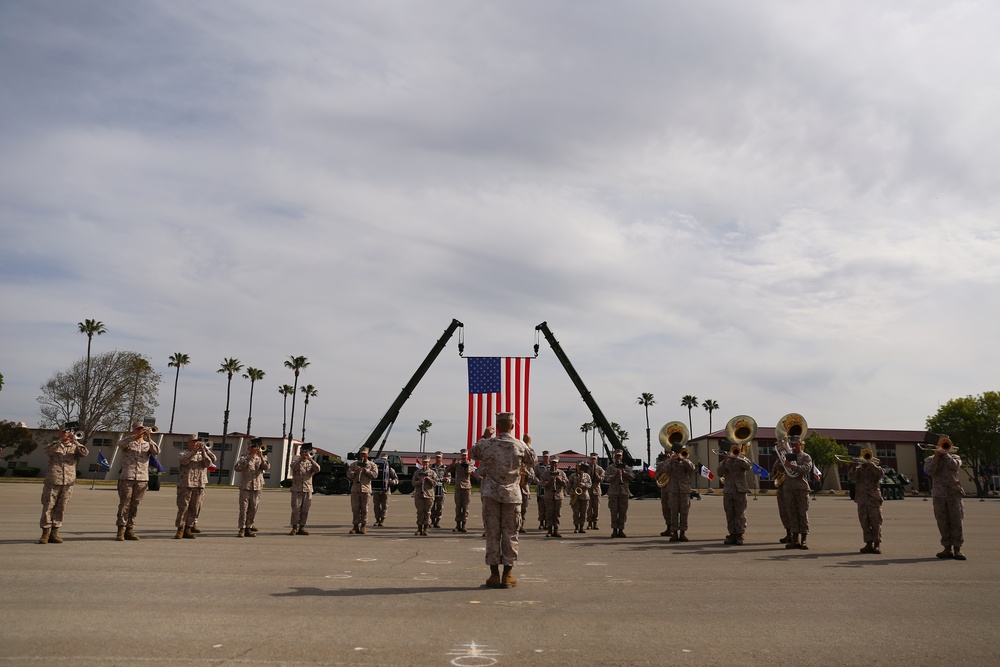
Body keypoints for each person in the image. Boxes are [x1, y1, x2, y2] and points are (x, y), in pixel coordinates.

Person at [471, 413, 536, 589]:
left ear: (497, 427)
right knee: (510, 533)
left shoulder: (487, 444)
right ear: (512, 427)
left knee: (492, 532)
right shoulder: (520, 445)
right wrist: (528, 443)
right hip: (512, 496)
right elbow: (532, 461)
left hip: (491, 494)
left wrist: (484, 436)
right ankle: (507, 575)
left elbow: (473, 453)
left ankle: (493, 575)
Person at [38, 426, 89, 544]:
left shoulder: (75, 446)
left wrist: (75, 441)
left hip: (68, 481)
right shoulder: (55, 444)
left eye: (69, 432)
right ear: (60, 433)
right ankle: (45, 533)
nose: (67, 434)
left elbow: (85, 453)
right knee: (48, 506)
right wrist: (61, 441)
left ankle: (54, 533)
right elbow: (48, 451)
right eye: (65, 432)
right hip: (53, 480)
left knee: (61, 507)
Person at [115, 422, 160, 541]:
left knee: (135, 505)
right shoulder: (128, 442)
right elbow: (120, 444)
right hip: (127, 477)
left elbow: (156, 452)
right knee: (124, 504)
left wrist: (150, 438)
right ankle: (120, 529)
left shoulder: (147, 444)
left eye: (142, 429)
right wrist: (135, 437)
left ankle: (129, 529)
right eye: (139, 429)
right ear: (133, 430)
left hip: (141, 479)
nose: (141, 431)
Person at [924, 438, 966, 560]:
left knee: (956, 521)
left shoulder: (955, 457)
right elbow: (930, 472)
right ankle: (947, 548)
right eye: (941, 445)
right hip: (939, 494)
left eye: (945, 445)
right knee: (942, 522)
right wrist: (936, 458)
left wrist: (946, 454)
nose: (942, 447)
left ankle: (958, 549)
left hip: (953, 493)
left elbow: (955, 467)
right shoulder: (930, 459)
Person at [175, 435, 216, 539]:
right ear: (188, 443)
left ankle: (188, 528)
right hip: (186, 484)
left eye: (197, 442)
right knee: (183, 507)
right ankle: (180, 529)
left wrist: (204, 451)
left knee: (195, 508)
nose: (195, 443)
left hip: (199, 484)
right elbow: (184, 461)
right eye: (193, 442)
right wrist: (194, 451)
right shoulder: (184, 453)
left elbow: (209, 462)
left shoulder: (202, 454)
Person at [848, 450, 884, 554]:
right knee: (864, 522)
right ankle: (868, 543)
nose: (864, 459)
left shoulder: (875, 468)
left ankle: (877, 544)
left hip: (873, 498)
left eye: (866, 457)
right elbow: (852, 476)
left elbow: (880, 473)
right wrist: (854, 466)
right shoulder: (858, 470)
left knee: (876, 521)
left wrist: (870, 463)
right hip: (861, 499)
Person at [782, 435, 813, 550]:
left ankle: (804, 540)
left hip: (801, 489)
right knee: (792, 514)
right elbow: (779, 469)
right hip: (789, 489)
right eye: (792, 444)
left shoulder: (805, 456)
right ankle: (795, 539)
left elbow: (806, 469)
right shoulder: (787, 456)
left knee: (802, 513)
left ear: (800, 444)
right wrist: (781, 460)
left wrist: (792, 466)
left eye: (796, 444)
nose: (793, 446)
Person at [717, 445, 752, 545]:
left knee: (740, 513)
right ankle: (732, 534)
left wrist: (738, 458)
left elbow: (748, 466)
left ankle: (740, 534)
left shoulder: (743, 459)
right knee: (730, 513)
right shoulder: (725, 461)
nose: (733, 452)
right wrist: (724, 461)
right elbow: (719, 472)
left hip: (740, 490)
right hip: (728, 490)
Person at [234, 439, 269, 537]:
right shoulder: (244, 457)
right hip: (246, 486)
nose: (255, 449)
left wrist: (262, 456)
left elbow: (266, 467)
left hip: (257, 487)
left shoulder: (261, 457)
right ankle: (242, 529)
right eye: (253, 447)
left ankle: (249, 528)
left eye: (256, 447)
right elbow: (237, 468)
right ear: (249, 448)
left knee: (253, 508)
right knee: (244, 509)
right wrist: (249, 458)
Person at [290, 443, 321, 535]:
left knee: (305, 509)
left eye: (306, 452)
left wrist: (310, 459)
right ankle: (294, 527)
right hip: (297, 489)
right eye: (303, 452)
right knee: (296, 509)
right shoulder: (296, 462)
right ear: (300, 452)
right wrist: (301, 459)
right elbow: (292, 467)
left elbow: (318, 469)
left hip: (307, 489)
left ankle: (302, 527)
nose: (305, 454)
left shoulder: (310, 463)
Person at [666, 450, 696, 542]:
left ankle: (683, 533)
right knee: (673, 513)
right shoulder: (670, 462)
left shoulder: (686, 462)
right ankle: (674, 533)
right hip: (674, 491)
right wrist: (671, 461)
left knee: (684, 513)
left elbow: (692, 468)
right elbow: (665, 470)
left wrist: (683, 459)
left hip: (684, 491)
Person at [347, 447, 379, 534]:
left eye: (364, 454)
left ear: (367, 455)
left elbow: (375, 475)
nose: (363, 455)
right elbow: (349, 474)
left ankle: (363, 526)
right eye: (361, 454)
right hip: (356, 490)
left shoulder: (372, 465)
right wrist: (355, 472)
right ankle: (355, 526)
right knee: (355, 509)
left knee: (364, 509)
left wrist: (367, 471)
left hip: (366, 490)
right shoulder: (354, 464)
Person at [606, 450, 634, 538]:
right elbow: (606, 478)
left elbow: (632, 477)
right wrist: (615, 475)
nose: (618, 458)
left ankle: (621, 529)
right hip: (613, 493)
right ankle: (614, 530)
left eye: (619, 456)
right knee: (614, 512)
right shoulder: (610, 467)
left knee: (623, 512)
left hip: (624, 492)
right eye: (617, 456)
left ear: (622, 457)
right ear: (614, 457)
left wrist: (624, 473)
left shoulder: (626, 467)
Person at [540, 456, 569, 537]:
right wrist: (548, 482)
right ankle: (549, 530)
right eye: (552, 462)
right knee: (549, 513)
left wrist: (559, 479)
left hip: (558, 496)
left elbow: (566, 483)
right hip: (549, 496)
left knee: (557, 514)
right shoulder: (546, 473)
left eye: (555, 463)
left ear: (557, 464)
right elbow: (541, 483)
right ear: (550, 463)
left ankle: (556, 530)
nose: (554, 464)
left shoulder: (561, 473)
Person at [447, 450, 473, 532]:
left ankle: (464, 524)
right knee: (458, 506)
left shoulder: (470, 464)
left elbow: (469, 472)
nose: (463, 457)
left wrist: (466, 466)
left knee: (465, 506)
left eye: (464, 456)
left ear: (467, 456)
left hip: (466, 487)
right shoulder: (458, 465)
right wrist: (453, 464)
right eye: (462, 456)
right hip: (458, 487)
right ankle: (458, 524)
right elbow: (447, 470)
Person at [412, 455, 437, 536]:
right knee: (420, 512)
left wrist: (428, 479)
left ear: (429, 463)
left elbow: (435, 483)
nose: (425, 464)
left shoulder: (432, 473)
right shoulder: (417, 472)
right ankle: (419, 528)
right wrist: (420, 481)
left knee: (427, 512)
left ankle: (426, 528)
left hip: (429, 495)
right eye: (424, 462)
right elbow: (413, 483)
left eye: (427, 462)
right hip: (419, 495)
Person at [372, 458, 399, 527]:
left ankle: (382, 520)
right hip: (376, 490)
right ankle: (377, 519)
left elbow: (396, 478)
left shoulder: (390, 469)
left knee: (385, 506)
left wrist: (393, 482)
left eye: (384, 460)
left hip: (386, 490)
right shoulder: (375, 468)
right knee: (376, 506)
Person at [568, 462, 593, 534]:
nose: (580, 468)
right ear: (576, 467)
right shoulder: (572, 476)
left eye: (581, 466)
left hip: (584, 496)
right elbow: (569, 485)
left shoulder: (587, 476)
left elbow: (590, 485)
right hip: (575, 496)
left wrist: (584, 484)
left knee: (583, 513)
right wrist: (570, 493)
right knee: (576, 512)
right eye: (578, 466)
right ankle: (576, 527)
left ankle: (581, 527)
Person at [770, 459, 791, 543]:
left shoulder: (795, 459)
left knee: (792, 513)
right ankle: (789, 533)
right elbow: (773, 475)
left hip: (791, 489)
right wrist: (779, 464)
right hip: (782, 490)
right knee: (783, 513)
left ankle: (796, 535)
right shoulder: (778, 461)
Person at [429, 452, 451, 529]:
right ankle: (432, 520)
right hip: (432, 489)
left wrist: (447, 480)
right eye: (437, 457)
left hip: (442, 490)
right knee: (431, 505)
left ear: (442, 458)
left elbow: (449, 477)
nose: (438, 459)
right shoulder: (431, 467)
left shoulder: (445, 468)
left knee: (440, 506)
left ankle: (437, 521)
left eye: (439, 457)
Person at [655, 452, 672, 537]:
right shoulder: (661, 464)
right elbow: (656, 476)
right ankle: (668, 527)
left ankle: (674, 529)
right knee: (665, 509)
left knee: (674, 509)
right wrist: (661, 471)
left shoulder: (677, 463)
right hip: (665, 489)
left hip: (674, 490)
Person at [586, 453, 605, 530]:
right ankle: (589, 523)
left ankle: (595, 523)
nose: (593, 460)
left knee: (596, 507)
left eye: (594, 459)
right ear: (589, 459)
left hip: (596, 490)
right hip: (588, 490)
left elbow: (603, 478)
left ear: (597, 459)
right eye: (592, 459)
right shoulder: (586, 468)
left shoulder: (600, 469)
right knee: (589, 508)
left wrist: (598, 476)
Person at [533, 449, 550, 530]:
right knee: (541, 507)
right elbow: (534, 475)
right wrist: (536, 480)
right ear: (542, 457)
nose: (546, 458)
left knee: (548, 507)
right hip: (540, 488)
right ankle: (541, 523)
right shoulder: (538, 466)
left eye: (547, 457)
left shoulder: (551, 466)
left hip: (548, 489)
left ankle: (547, 523)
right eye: (544, 457)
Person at [517, 463, 537, 533]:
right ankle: (514, 525)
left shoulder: (529, 467)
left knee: (523, 509)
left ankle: (521, 525)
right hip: (515, 490)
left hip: (524, 490)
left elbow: (532, 477)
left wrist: (527, 472)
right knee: (514, 509)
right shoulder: (514, 464)